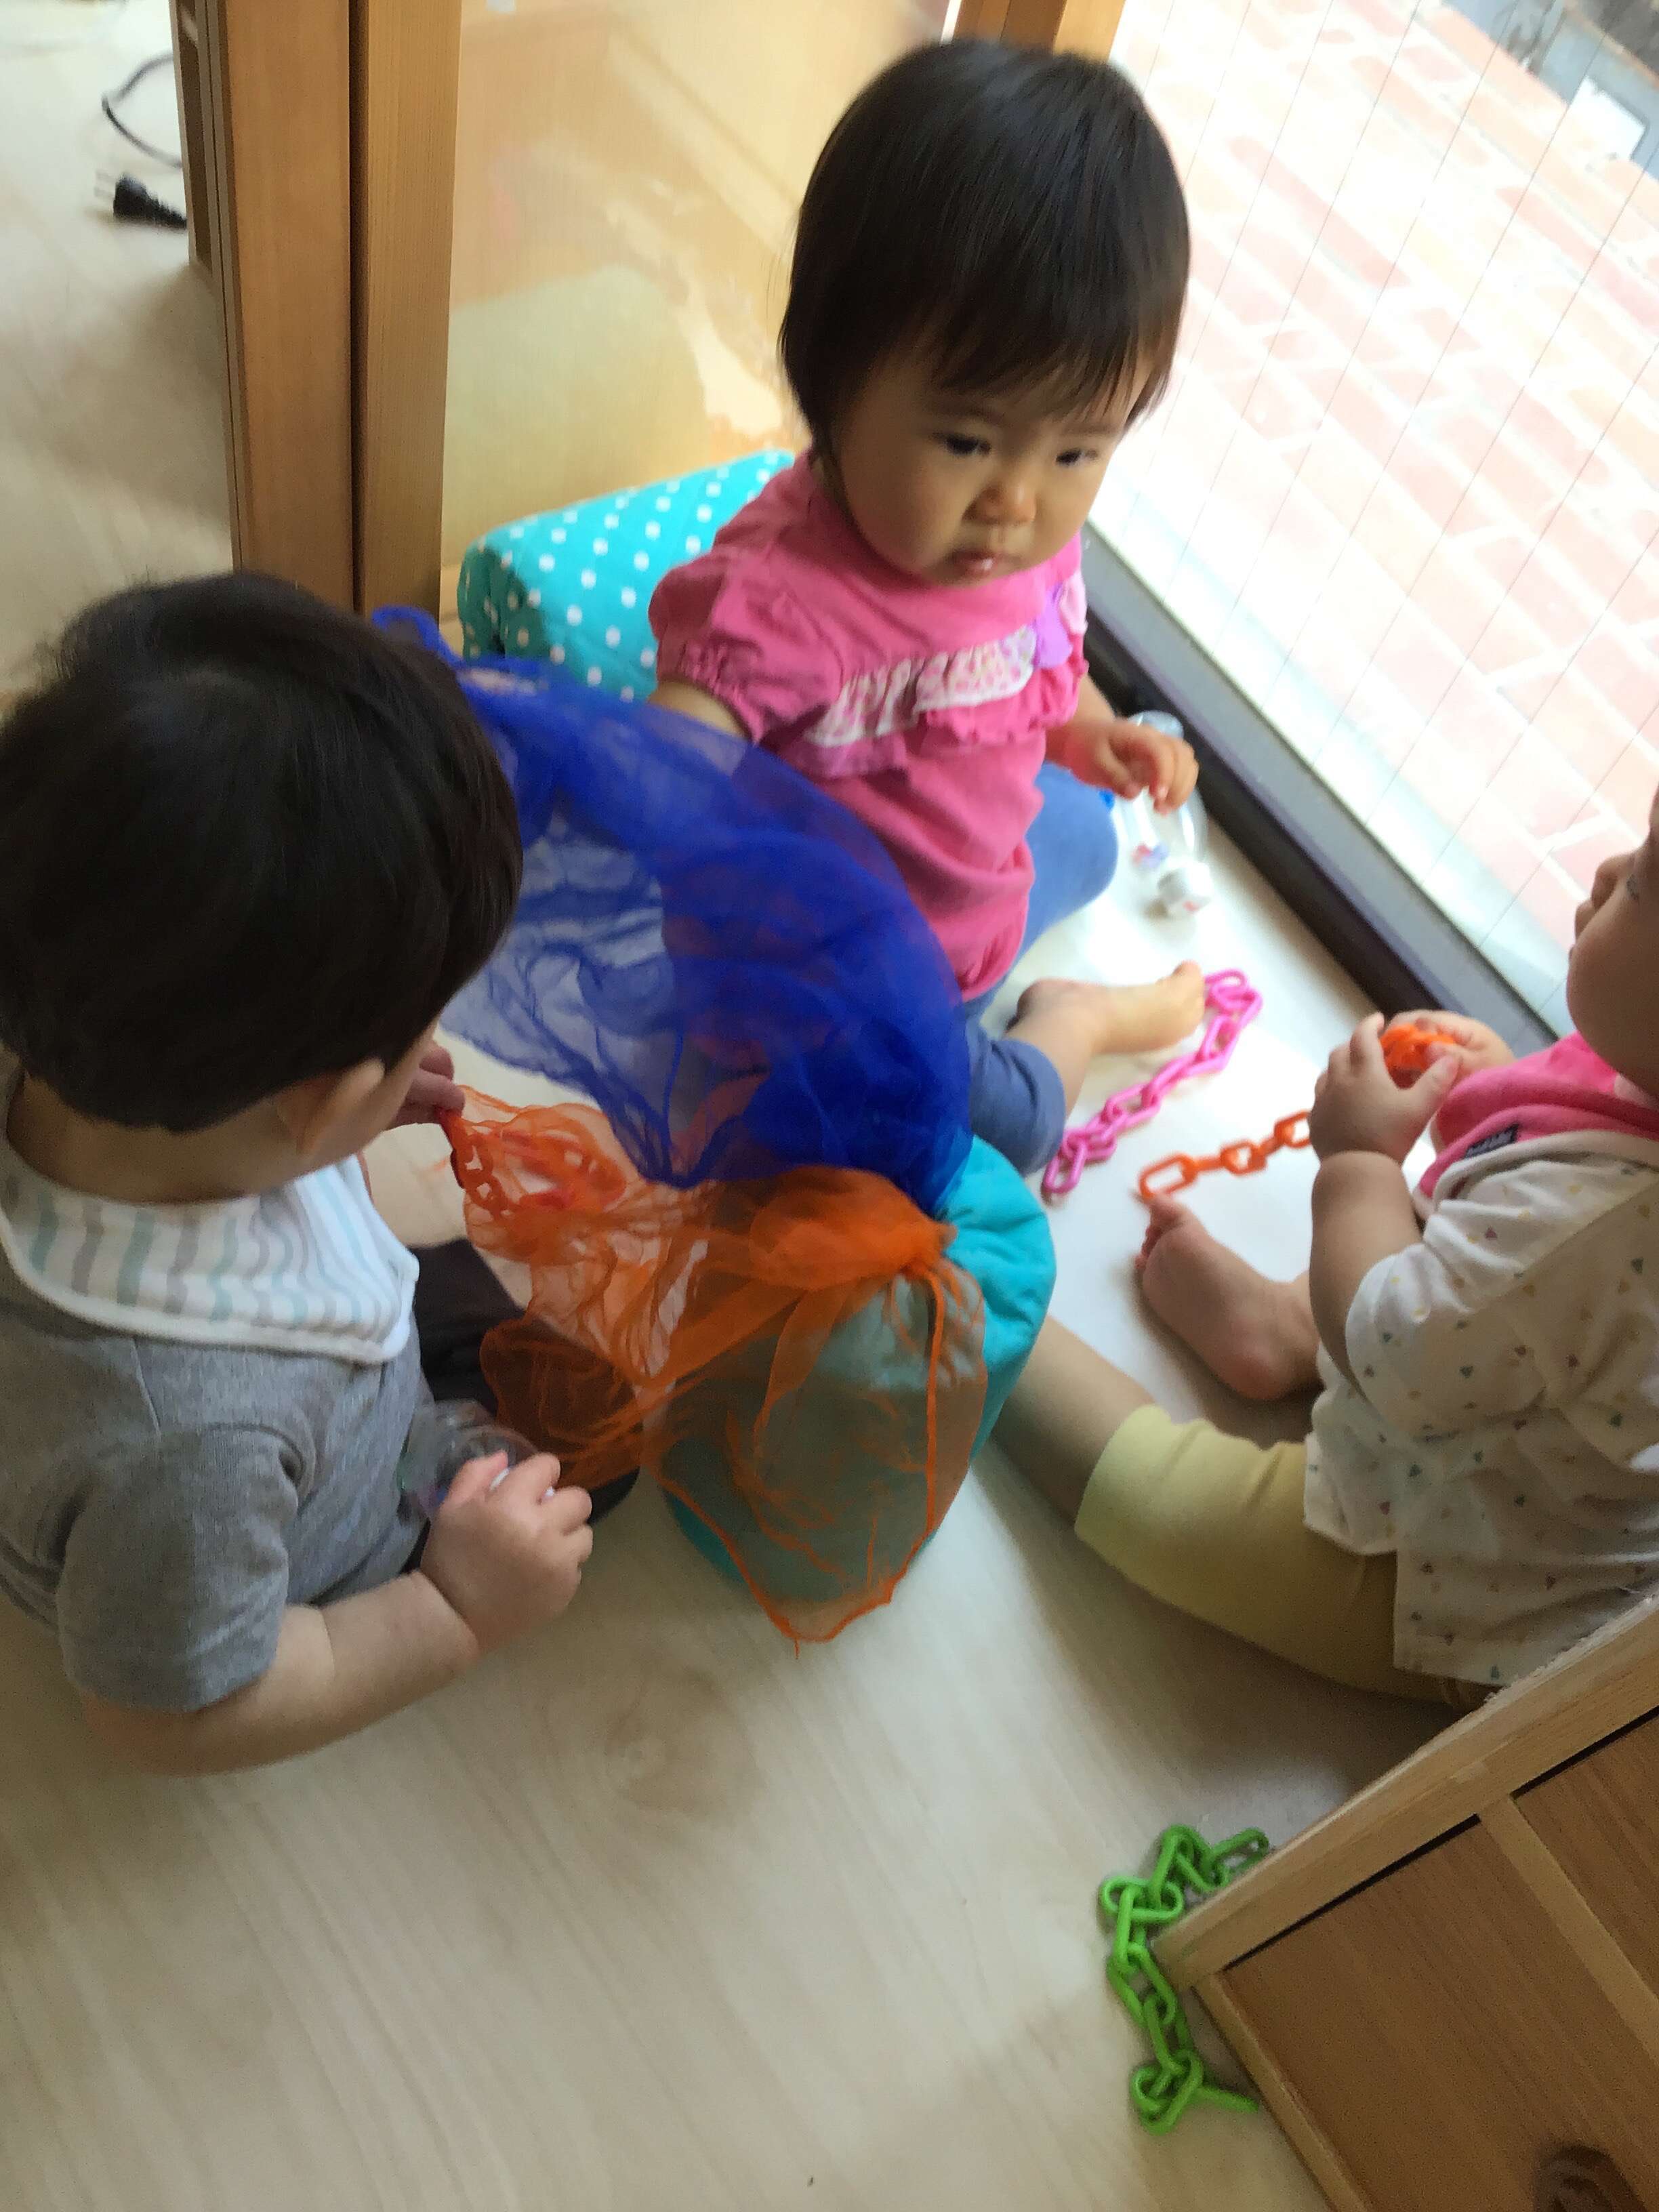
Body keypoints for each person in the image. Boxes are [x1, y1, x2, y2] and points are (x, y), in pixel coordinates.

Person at [0, 575, 596, 1774]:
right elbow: (173, 1712)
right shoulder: (186, 1448)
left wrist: (342, 1129)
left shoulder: (72, 1029)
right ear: (314, 1098)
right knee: (589, 1456)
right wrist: (454, 1610)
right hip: (310, 1539)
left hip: (282, 1366)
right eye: (414, 1035)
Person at [649, 41, 1204, 1178]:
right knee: (1004, 1131)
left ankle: (1017, 963)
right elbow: (672, 746)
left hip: (969, 898)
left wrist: (1091, 732)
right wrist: (634, 769)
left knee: (1088, 835)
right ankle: (1081, 1020)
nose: (1017, 501)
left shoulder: (1024, 542)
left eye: (1077, 451)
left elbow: (1038, 674)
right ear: (833, 379)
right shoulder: (782, 601)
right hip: (836, 995)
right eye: (966, 440)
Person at [996, 818, 1659, 1701]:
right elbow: (1530, 1198)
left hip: (1461, 1574)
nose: (1609, 869)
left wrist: (1357, 1160)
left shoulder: (1608, 1224)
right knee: (1457, 1271)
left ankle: (979, 1301)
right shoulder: (1639, 1063)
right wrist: (1489, 1090)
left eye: (1646, 880)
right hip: (1484, 1363)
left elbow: (1401, 1352)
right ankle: (1290, 1330)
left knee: (1165, 1515)